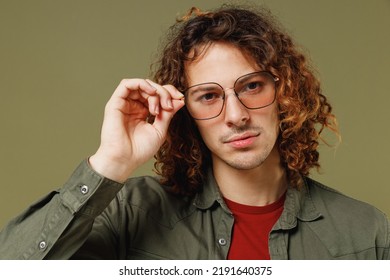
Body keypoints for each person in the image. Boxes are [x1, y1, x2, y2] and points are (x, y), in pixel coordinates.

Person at [0, 4, 389, 260]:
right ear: (185, 110)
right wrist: (110, 163)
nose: (235, 115)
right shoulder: (131, 214)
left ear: (284, 91)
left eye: (252, 86)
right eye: (208, 96)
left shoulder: (367, 233)